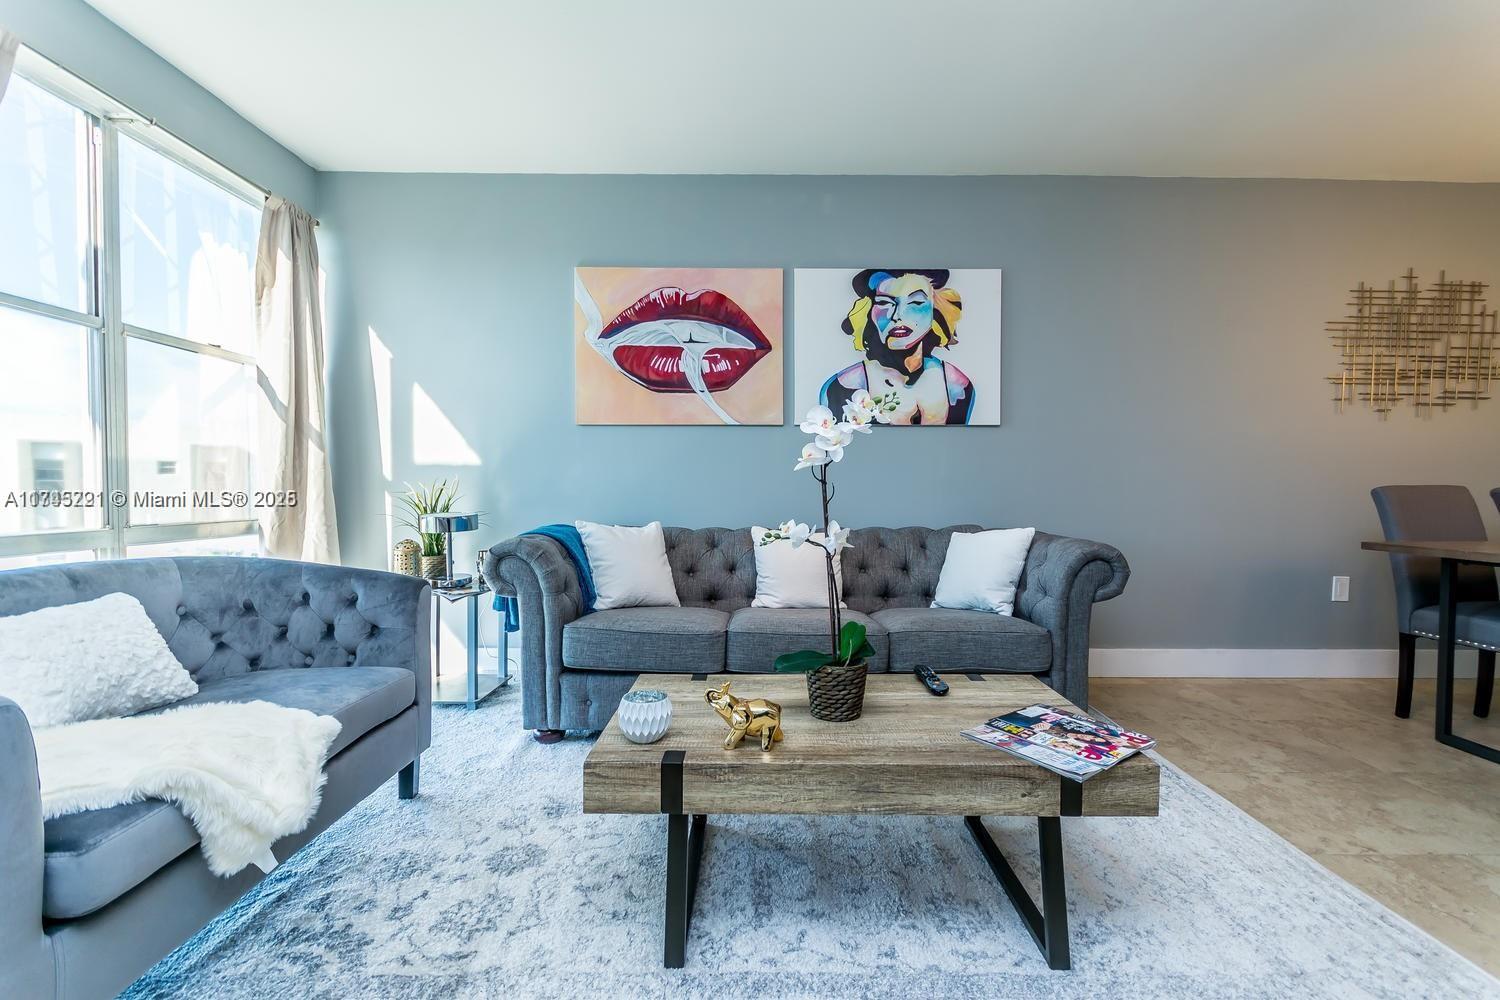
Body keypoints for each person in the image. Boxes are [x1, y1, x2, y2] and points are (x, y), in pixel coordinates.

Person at [819, 268, 974, 424]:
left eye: (916, 302)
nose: (897, 315)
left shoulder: (957, 385)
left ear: (936, 309)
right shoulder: (844, 386)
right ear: (869, 311)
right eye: (884, 303)